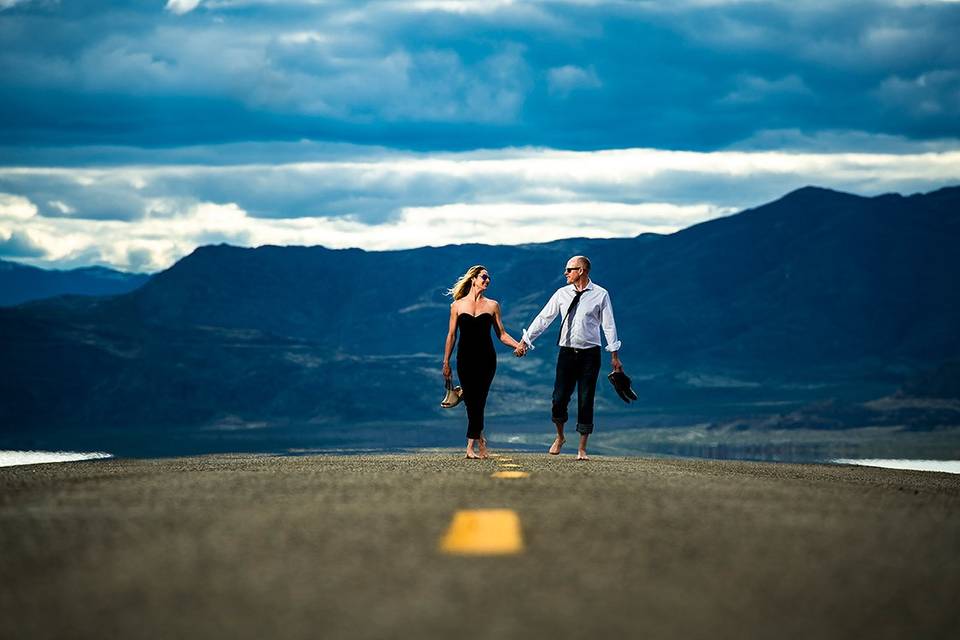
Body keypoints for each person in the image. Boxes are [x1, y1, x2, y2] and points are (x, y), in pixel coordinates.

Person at [515, 256, 623, 460]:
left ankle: (582, 448)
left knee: (585, 399)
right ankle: (560, 436)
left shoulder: (601, 294)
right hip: (566, 353)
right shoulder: (562, 294)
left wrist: (614, 356)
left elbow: (608, 326)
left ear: (581, 270)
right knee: (559, 398)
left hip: (590, 354)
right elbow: (544, 318)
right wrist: (525, 341)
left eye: (569, 269)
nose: (565, 273)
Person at [442, 265, 524, 459]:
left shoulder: (492, 305)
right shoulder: (457, 305)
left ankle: (470, 446)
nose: (487, 281)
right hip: (465, 358)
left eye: (489, 279)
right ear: (473, 278)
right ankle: (480, 441)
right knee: (472, 401)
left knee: (479, 400)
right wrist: (446, 362)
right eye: (484, 277)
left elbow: (501, 334)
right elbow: (451, 335)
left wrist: (517, 345)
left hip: (487, 359)